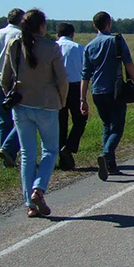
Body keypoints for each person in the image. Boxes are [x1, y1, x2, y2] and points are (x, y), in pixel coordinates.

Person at [2, 9, 68, 218]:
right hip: (47, 105)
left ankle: (30, 204)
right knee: (49, 151)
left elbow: (5, 78)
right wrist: (62, 100)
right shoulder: (51, 48)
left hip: (21, 106)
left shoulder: (14, 45)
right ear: (42, 27)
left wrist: (10, 95)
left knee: (27, 155)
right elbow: (63, 79)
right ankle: (38, 189)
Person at [81, 11, 134, 180]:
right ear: (109, 24)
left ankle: (111, 165)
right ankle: (107, 154)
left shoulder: (89, 46)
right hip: (115, 90)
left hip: (97, 91)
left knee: (107, 125)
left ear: (94, 26)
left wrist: (82, 99)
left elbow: (85, 75)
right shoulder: (116, 41)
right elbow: (128, 63)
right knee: (117, 127)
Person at [0, 8, 25, 167]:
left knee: (4, 120)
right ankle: (9, 149)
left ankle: (6, 156)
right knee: (22, 118)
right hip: (15, 83)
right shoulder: (20, 36)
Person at [56, 22, 86, 171]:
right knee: (80, 119)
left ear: (57, 34)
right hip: (74, 87)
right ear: (72, 34)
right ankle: (69, 147)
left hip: (56, 88)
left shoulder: (53, 47)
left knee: (61, 122)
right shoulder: (78, 48)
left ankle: (63, 157)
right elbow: (84, 70)